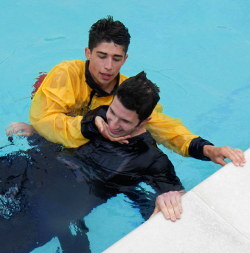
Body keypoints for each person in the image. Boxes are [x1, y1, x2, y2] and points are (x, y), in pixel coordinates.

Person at [1, 72, 185, 253]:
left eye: (124, 121)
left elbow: (176, 194)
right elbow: (66, 139)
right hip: (30, 168)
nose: (112, 125)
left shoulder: (150, 159)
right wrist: (37, 132)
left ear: (144, 121)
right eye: (112, 112)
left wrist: (171, 196)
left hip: (52, 208)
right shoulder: (97, 115)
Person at [5, 16, 246, 167]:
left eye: (116, 58)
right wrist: (89, 126)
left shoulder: (129, 91)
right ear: (88, 53)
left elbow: (166, 128)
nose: (108, 67)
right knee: (21, 133)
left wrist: (206, 149)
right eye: (101, 56)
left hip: (89, 144)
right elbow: (43, 118)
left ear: (125, 58)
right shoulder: (66, 74)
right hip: (65, 130)